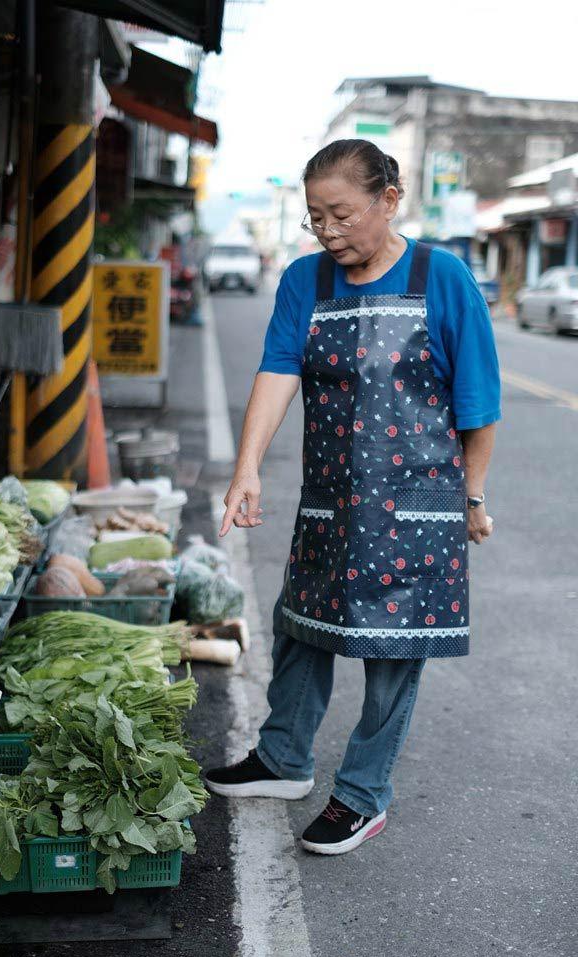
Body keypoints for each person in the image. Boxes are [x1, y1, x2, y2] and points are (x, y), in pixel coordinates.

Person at [205, 140, 500, 856]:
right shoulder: (306, 281)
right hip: (332, 500)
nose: (328, 231)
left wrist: (473, 497)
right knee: (301, 625)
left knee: (393, 655)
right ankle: (283, 759)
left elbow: (478, 404)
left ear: (388, 200)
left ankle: (362, 796)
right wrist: (247, 468)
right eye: (315, 218)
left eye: (341, 214)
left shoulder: (444, 276)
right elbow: (278, 373)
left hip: (417, 506)